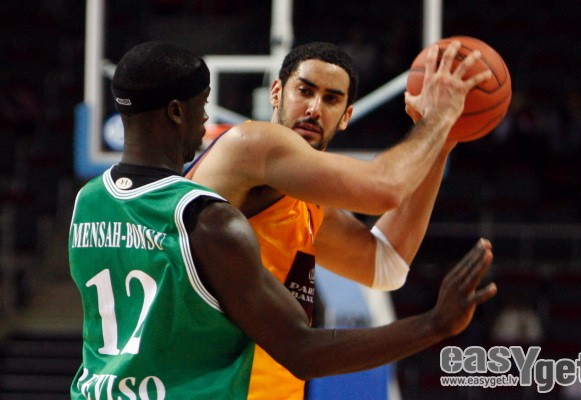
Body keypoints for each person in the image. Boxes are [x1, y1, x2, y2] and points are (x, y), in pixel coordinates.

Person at [69, 40, 496, 400]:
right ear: (276, 93)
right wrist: (439, 117)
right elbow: (386, 187)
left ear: (346, 116)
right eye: (304, 91)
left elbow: (385, 265)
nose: (314, 108)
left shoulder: (304, 200)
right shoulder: (253, 143)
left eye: (331, 99)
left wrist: (442, 143)